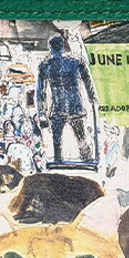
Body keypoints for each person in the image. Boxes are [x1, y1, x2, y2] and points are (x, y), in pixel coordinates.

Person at [36, 34, 97, 164]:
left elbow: (41, 92)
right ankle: (86, 158)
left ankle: (59, 159)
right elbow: (87, 80)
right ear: (62, 47)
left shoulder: (46, 65)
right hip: (74, 105)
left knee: (58, 139)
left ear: (51, 48)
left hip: (59, 107)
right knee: (80, 136)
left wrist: (41, 112)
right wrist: (91, 95)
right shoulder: (74, 62)